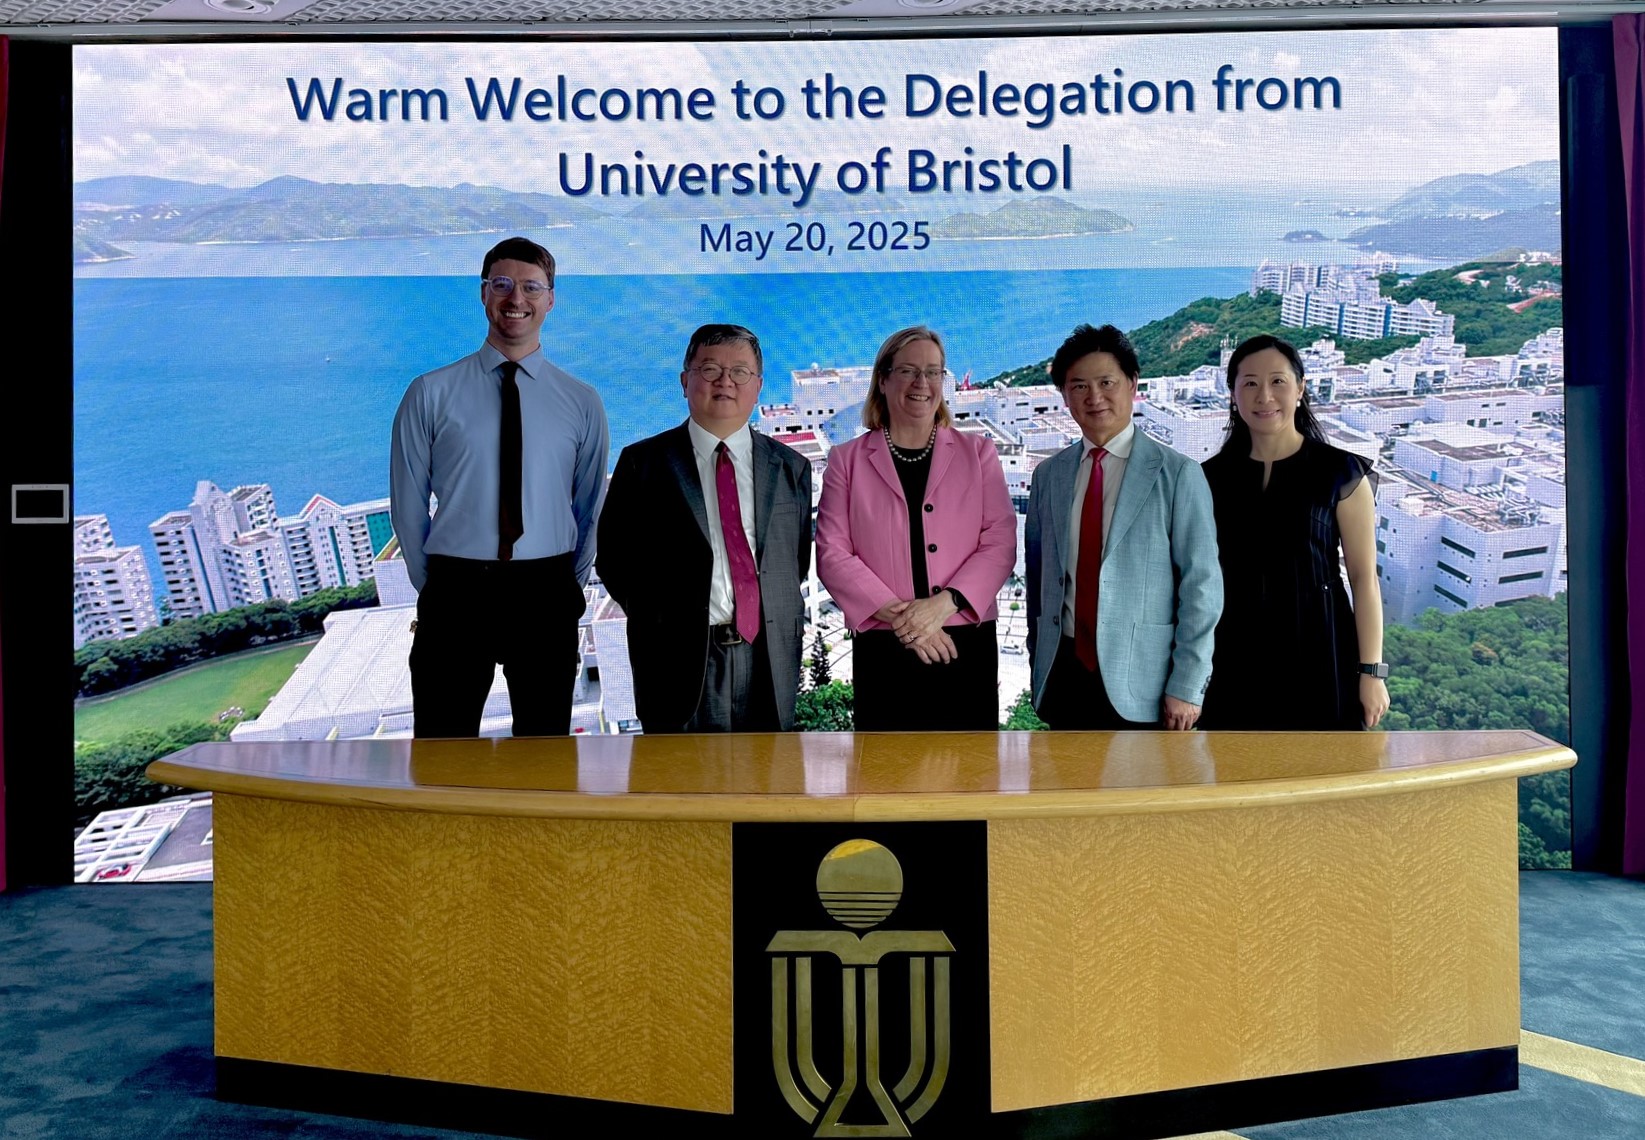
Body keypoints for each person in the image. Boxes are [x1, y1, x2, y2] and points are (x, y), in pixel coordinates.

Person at [389, 236, 609, 738]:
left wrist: (563, 585)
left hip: (546, 593)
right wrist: (442, 586)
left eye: (532, 286)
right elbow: (407, 507)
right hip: (456, 591)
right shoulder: (430, 392)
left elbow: (589, 507)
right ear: (483, 293)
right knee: (443, 753)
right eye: (503, 284)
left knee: (546, 757)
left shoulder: (581, 401)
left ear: (550, 299)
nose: (517, 299)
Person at [597, 324, 812, 733]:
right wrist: (664, 619)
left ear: (759, 384)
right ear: (685, 381)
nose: (725, 382)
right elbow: (614, 560)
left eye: (740, 372)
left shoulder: (790, 468)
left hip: (766, 657)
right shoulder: (643, 465)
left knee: (765, 786)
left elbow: (795, 561)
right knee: (682, 787)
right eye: (710, 369)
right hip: (678, 658)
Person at [815, 326, 1016, 731]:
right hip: (883, 645)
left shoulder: (979, 453)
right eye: (908, 371)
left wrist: (941, 607)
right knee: (887, 778)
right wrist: (910, 622)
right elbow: (832, 554)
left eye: (933, 372)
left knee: (969, 775)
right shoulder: (846, 460)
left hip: (964, 640)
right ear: (884, 380)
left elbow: (1000, 541)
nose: (922, 383)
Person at [1025, 323, 1221, 731]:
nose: (1094, 397)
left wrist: (1187, 685)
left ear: (1133, 384)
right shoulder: (1049, 475)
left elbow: (1201, 587)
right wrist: (1036, 656)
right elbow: (1040, 578)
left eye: (1106, 382)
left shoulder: (1178, 474)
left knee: (1138, 792)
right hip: (1062, 673)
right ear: (1064, 395)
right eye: (1078, 386)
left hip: (1145, 683)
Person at [1199, 334, 1390, 730]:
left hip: (1321, 645)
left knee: (1324, 777)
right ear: (1233, 394)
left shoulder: (1341, 472)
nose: (1264, 396)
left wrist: (1372, 673)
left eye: (1278, 382)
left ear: (1300, 389)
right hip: (1235, 653)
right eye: (1249, 383)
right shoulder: (1209, 479)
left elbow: (1363, 579)